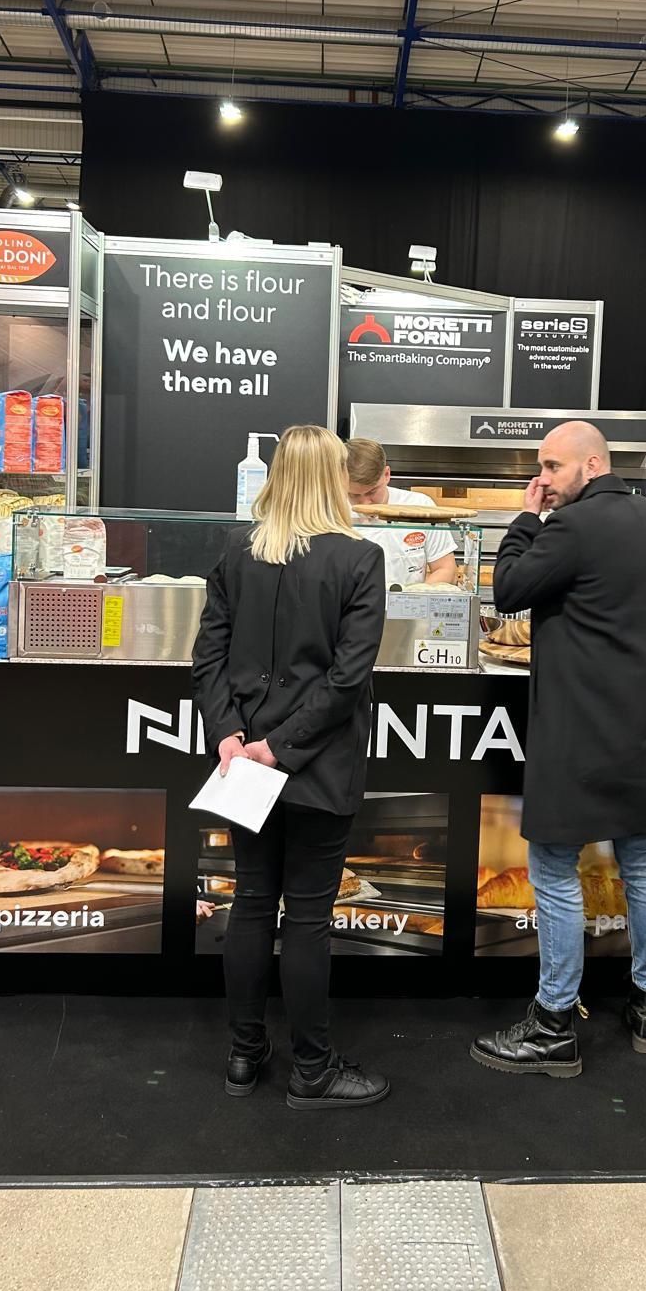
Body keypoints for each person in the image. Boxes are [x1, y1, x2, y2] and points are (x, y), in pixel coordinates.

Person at [471, 422, 646, 1078]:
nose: (542, 479)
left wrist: (525, 518)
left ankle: (553, 1024)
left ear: (593, 464)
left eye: (552, 466)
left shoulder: (569, 527)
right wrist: (638, 667)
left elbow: (509, 590)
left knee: (553, 867)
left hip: (579, 735)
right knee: (642, 861)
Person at [192, 425, 389, 1109]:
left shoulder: (238, 550)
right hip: (317, 764)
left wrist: (231, 736)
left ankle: (244, 1055)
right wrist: (278, 747)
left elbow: (208, 658)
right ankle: (313, 1069)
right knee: (306, 918)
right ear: (334, 478)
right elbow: (346, 680)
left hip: (246, 759)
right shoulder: (360, 558)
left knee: (251, 901)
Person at [346, 438, 457, 588]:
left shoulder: (421, 506)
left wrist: (413, 596)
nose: (365, 503)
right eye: (354, 495)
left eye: (372, 492)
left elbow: (446, 569)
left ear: (387, 474)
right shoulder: (330, 511)